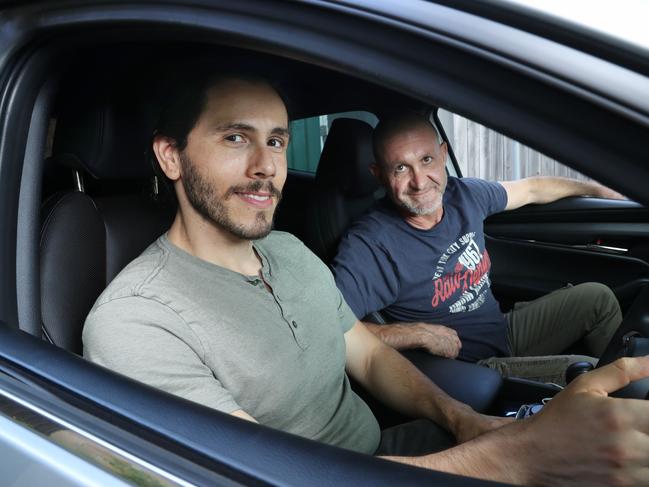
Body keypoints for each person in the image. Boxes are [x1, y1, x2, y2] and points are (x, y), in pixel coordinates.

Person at [83, 73, 649, 486]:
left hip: (387, 448)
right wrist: (514, 458)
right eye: (236, 138)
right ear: (171, 156)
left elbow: (369, 356)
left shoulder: (286, 250)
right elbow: (260, 477)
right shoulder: (137, 319)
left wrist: (464, 420)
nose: (266, 165)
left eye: (276, 140)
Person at [332, 112, 624, 384]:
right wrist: (411, 333)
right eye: (400, 168)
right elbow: (328, 328)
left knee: (598, 297)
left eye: (426, 160)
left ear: (443, 154)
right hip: (470, 370)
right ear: (379, 174)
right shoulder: (370, 245)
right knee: (596, 374)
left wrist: (597, 190)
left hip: (503, 332)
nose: (419, 182)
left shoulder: (464, 195)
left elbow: (532, 188)